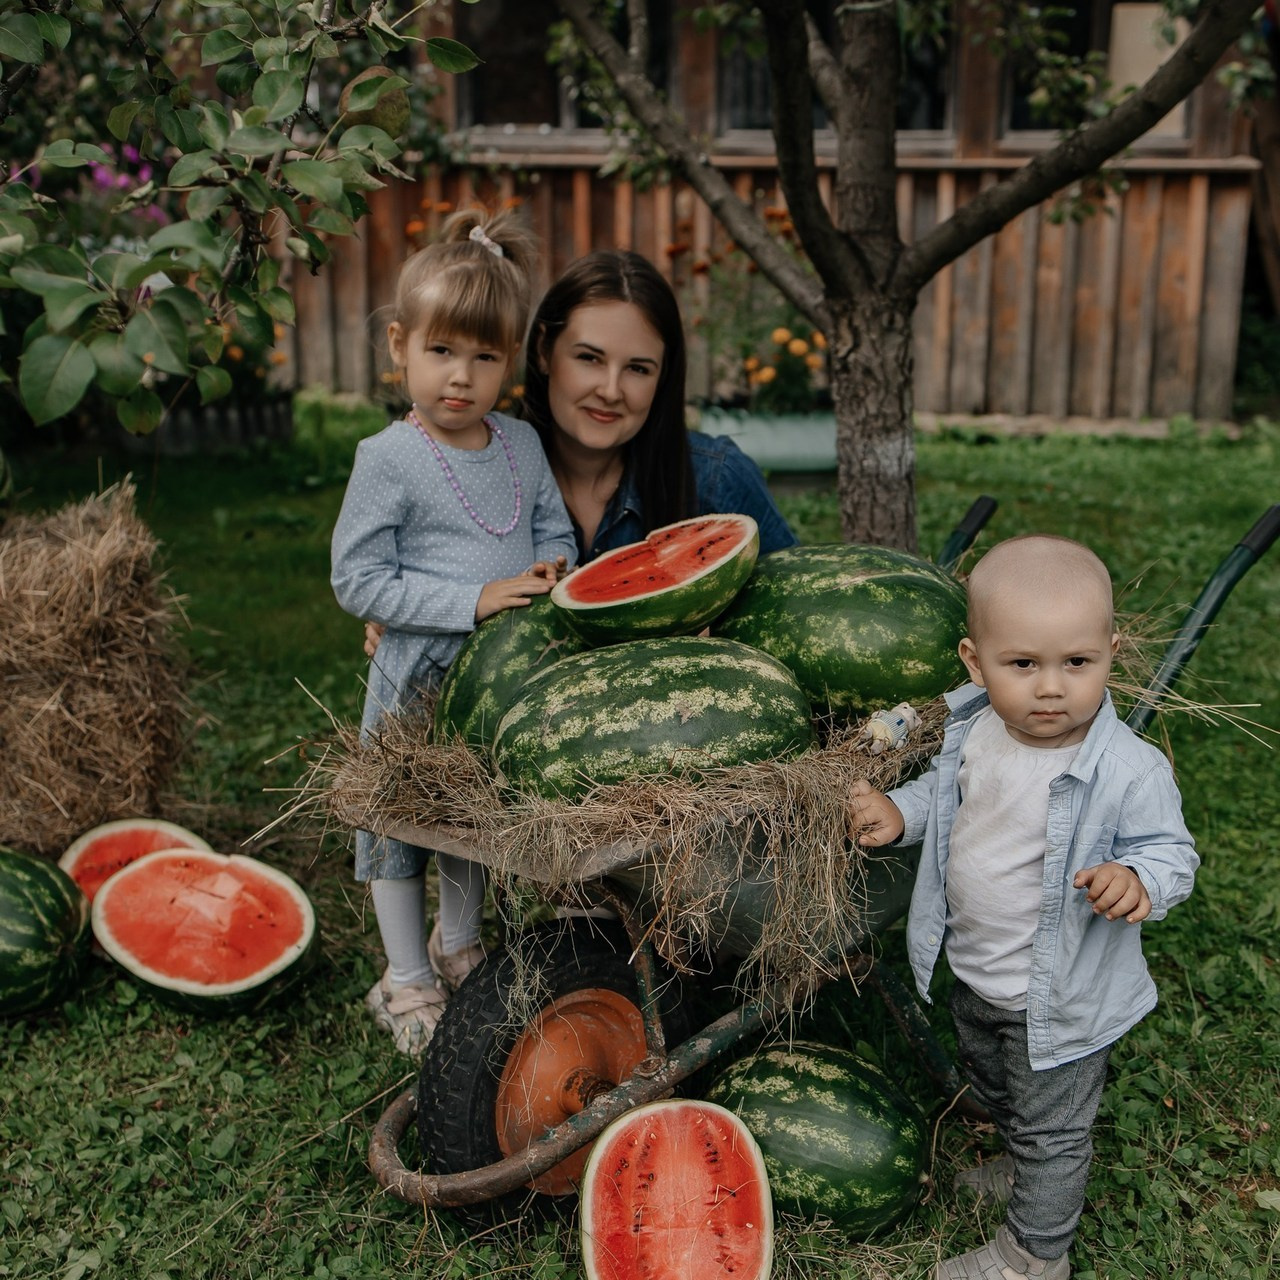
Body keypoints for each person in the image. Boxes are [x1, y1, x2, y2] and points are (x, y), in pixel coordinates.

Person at [848, 535, 1198, 1280]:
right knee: (997, 1085)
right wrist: (900, 815)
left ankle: (1034, 1257)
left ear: (1111, 650)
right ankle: (1021, 1168)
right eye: (1023, 665)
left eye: (1077, 664)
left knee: (1053, 1129)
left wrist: (1138, 875)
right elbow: (951, 802)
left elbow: (1173, 854)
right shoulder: (975, 734)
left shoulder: (1128, 769)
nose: (1050, 689)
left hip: (1062, 999)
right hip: (979, 974)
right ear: (977, 663)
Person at [332, 209, 577, 1056]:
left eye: (483, 356)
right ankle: (404, 978)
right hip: (415, 675)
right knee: (398, 825)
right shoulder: (387, 458)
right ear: (399, 345)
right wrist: (471, 600)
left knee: (470, 819)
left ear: (509, 360)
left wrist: (548, 570)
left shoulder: (519, 442)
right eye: (441, 352)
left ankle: (459, 945)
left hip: (496, 676)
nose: (460, 377)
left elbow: (553, 531)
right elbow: (356, 579)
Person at [520, 249, 798, 562]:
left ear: (662, 375)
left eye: (638, 369)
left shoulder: (717, 481)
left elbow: (795, 599)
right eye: (589, 358)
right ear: (544, 350)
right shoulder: (477, 477)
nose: (611, 391)